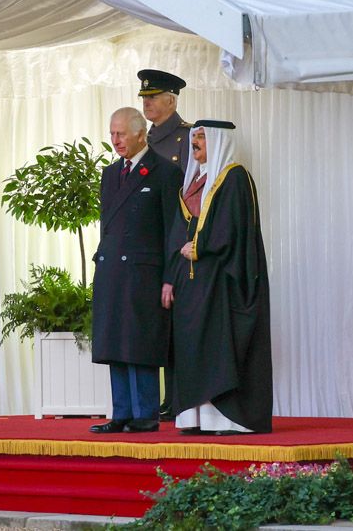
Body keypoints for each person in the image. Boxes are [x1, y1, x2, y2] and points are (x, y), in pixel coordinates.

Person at [169, 120, 273, 435]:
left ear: (218, 141)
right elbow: (178, 228)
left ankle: (225, 419)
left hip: (222, 281)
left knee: (218, 347)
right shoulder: (194, 181)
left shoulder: (234, 178)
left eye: (201, 138)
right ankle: (195, 417)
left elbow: (233, 229)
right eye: (194, 138)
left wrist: (199, 247)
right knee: (194, 346)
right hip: (193, 283)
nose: (195, 143)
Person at [90, 107, 182, 434]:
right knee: (115, 341)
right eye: (112, 133)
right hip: (112, 269)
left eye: (121, 134)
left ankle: (146, 414)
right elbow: (107, 227)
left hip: (145, 272)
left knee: (140, 342)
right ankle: (122, 414)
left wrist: (170, 278)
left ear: (140, 134)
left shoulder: (165, 173)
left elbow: (174, 230)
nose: (115, 140)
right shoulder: (110, 173)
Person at [137, 68, 191, 420]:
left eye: (153, 97)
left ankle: (178, 397)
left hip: (177, 240)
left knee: (176, 324)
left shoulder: (186, 139)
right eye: (144, 97)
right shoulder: (145, 140)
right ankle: (160, 398)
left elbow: (189, 200)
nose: (147, 103)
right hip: (148, 244)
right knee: (152, 323)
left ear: (171, 100)